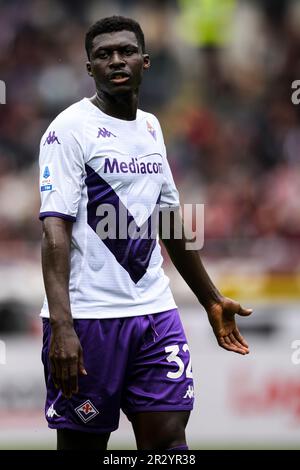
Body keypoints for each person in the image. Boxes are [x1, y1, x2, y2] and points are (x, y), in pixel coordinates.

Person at [39, 16, 252, 451]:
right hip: (90, 320)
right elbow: (54, 228)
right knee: (84, 446)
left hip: (155, 313)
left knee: (169, 442)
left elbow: (170, 219)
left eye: (126, 51)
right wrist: (63, 325)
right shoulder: (68, 130)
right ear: (89, 68)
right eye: (103, 54)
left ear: (145, 61)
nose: (116, 60)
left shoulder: (151, 127)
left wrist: (210, 298)